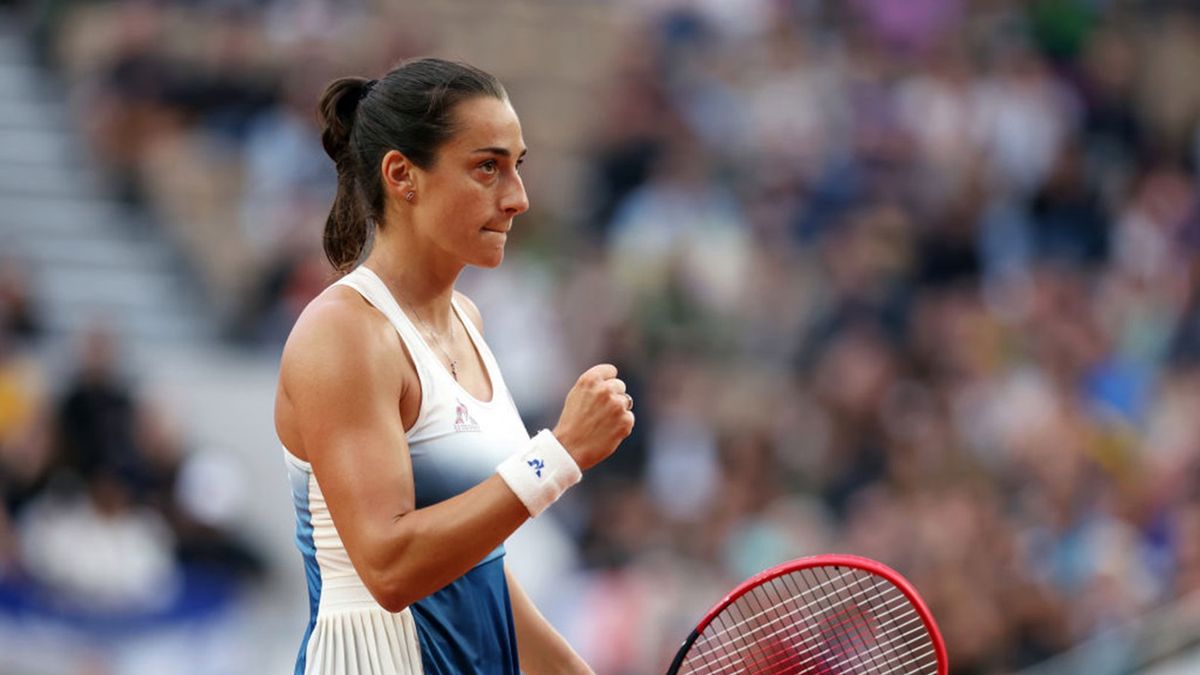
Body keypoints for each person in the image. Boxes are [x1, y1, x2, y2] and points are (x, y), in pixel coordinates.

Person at [274, 58, 634, 675]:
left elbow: (477, 568)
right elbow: (389, 568)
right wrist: (560, 454)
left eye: (518, 166)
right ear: (402, 175)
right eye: (487, 167)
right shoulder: (344, 333)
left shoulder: (468, 319)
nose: (517, 198)